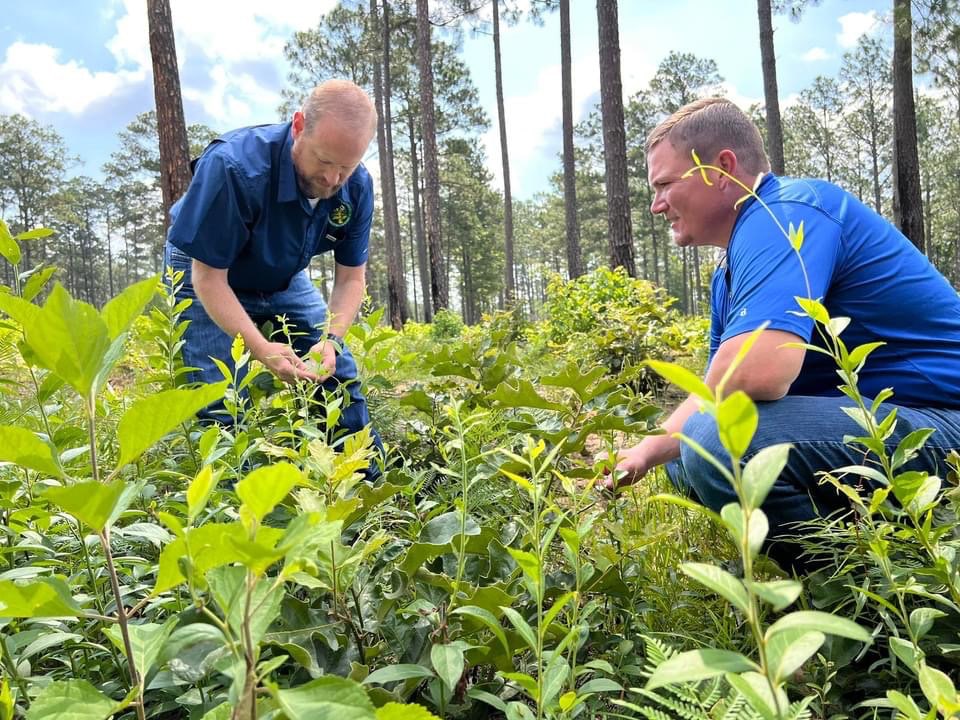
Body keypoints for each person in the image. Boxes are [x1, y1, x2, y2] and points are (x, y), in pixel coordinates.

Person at [609, 97, 960, 568]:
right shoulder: (732, 266)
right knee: (683, 451)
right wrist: (650, 450)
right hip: (882, 424)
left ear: (722, 168)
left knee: (717, 439)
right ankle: (865, 541)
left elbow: (761, 373)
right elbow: (721, 382)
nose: (656, 206)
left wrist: (665, 438)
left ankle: (858, 598)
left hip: (940, 421)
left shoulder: (787, 212)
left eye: (665, 184)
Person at [163, 79, 382, 457]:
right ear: (299, 126)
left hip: (282, 271)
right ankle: (236, 505)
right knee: (222, 397)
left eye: (346, 166)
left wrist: (331, 339)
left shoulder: (357, 186)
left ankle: (365, 486)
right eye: (324, 160)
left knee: (335, 371)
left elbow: (351, 278)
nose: (333, 179)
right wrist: (262, 348)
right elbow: (208, 277)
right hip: (208, 269)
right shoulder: (233, 167)